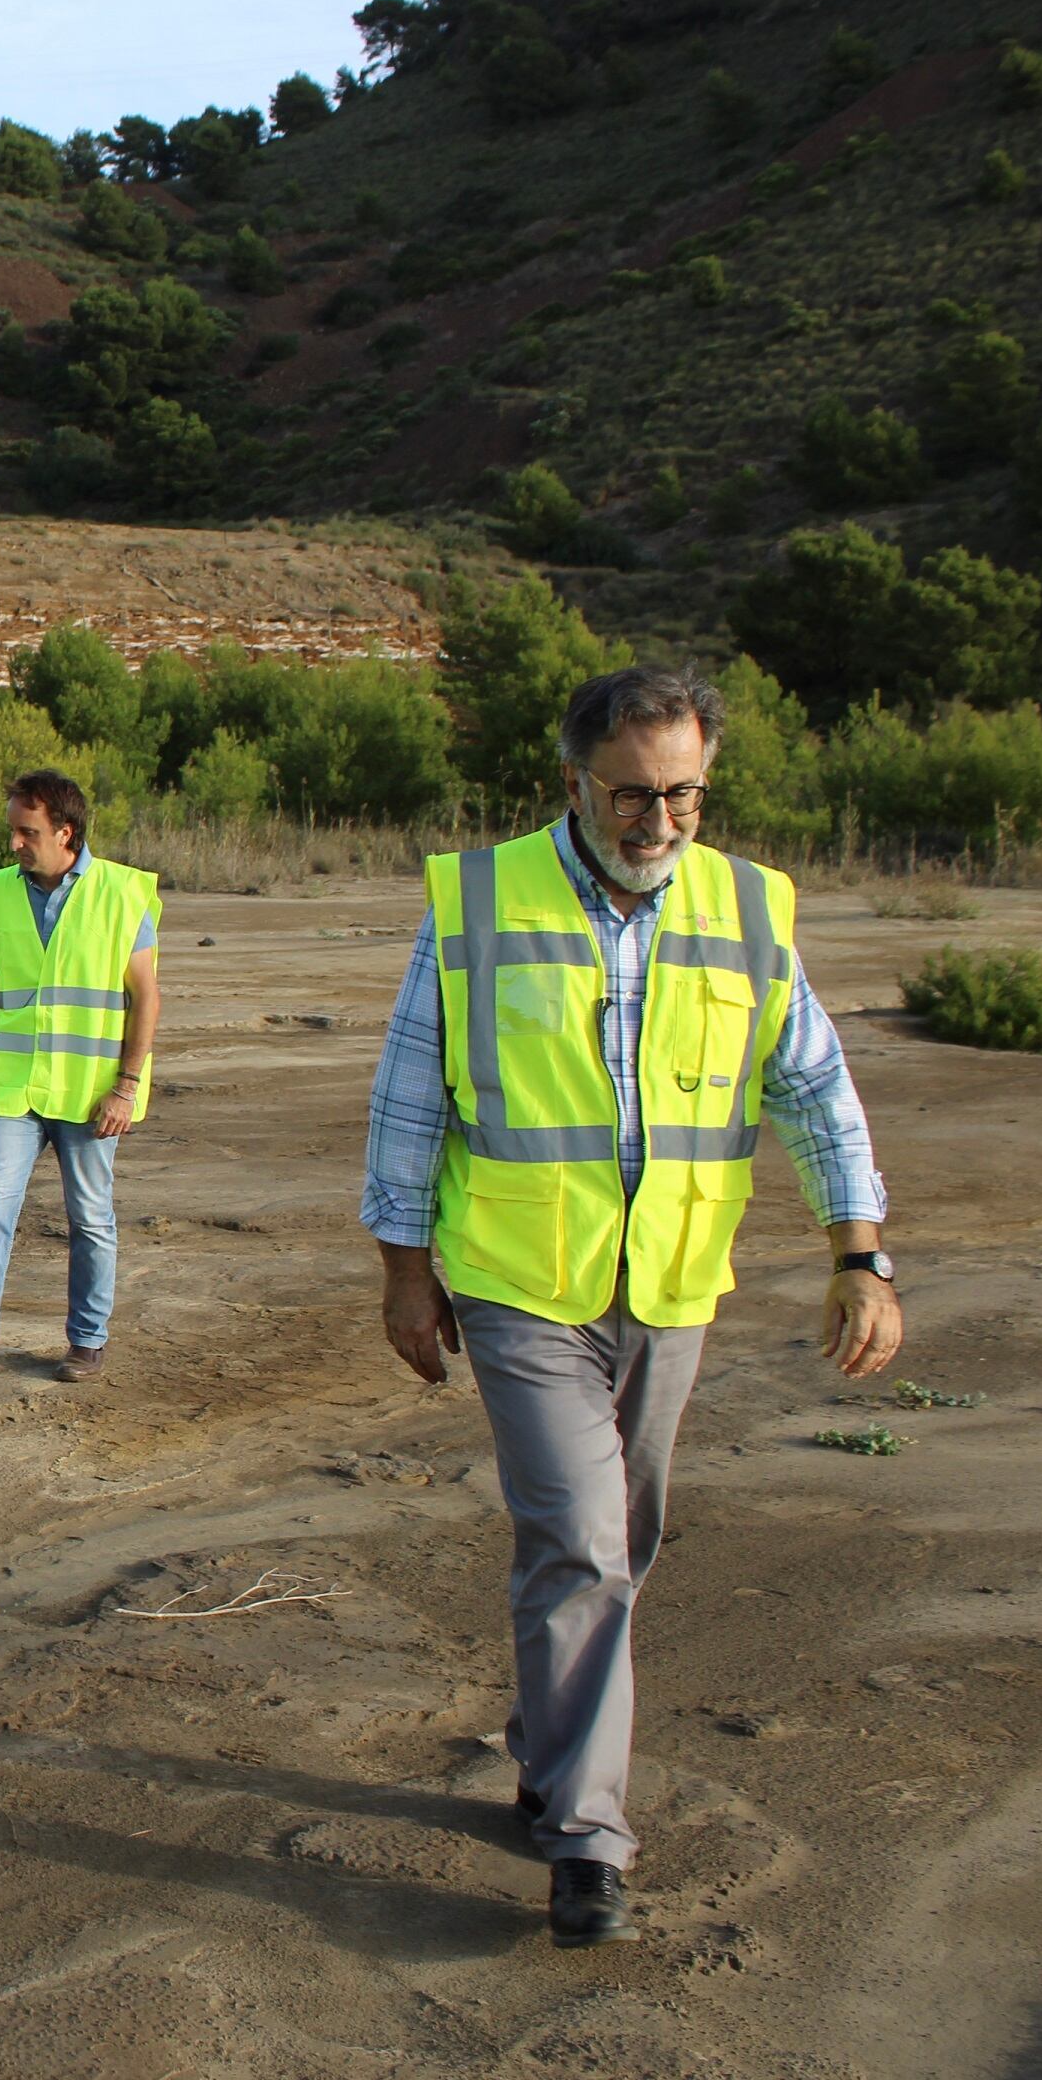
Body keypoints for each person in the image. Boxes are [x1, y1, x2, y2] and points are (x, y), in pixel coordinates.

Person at [364, 666, 902, 1949]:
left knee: (621, 1537)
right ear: (573, 783)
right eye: (630, 796)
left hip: (671, 1281)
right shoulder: (480, 899)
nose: (657, 822)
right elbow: (410, 1092)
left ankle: (551, 1749)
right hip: (517, 1280)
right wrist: (403, 1270)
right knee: (584, 1538)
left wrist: (862, 1255)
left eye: (683, 796)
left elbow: (813, 1088)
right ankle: (588, 1840)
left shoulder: (748, 908)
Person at [0, 768, 160, 1389]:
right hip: (10, 1084)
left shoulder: (123, 893)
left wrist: (127, 1085)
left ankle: (87, 1341)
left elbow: (145, 995)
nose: (15, 844)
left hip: (90, 1093)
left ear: (66, 832)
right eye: (12, 830)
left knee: (90, 1216)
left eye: (27, 832)